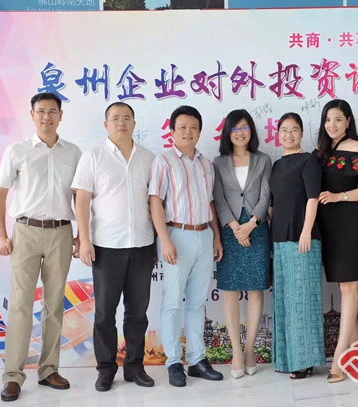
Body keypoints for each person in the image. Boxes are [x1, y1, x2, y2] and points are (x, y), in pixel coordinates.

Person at [0, 92, 82, 402]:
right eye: (41, 111)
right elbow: (0, 194)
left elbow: (80, 197)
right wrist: (1, 235)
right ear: (32, 115)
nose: (47, 116)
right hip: (25, 232)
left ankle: (48, 369)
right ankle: (13, 376)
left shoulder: (73, 152)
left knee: (54, 303)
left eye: (52, 111)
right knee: (20, 304)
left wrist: (82, 234)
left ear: (61, 115)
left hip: (61, 232)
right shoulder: (17, 151)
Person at [72, 102, 156, 392]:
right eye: (115, 118)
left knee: (137, 313)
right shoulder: (93, 156)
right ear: (106, 124)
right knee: (105, 314)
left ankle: (134, 367)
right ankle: (106, 369)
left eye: (127, 118)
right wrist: (84, 239)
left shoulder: (148, 158)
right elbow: (82, 200)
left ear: (134, 123)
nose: (121, 122)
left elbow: (155, 202)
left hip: (142, 244)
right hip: (106, 246)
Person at [149, 105, 224, 387]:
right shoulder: (164, 162)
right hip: (176, 235)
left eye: (193, 127)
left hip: (204, 235)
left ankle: (197, 360)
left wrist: (216, 236)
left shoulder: (207, 165)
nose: (188, 132)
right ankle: (173, 362)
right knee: (172, 302)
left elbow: (211, 203)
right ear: (172, 131)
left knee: (197, 302)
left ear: (200, 131)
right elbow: (155, 202)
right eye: (182, 127)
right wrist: (164, 239)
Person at [314, 99, 358, 383]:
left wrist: (339, 196)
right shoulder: (322, 150)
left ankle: (340, 358)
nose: (332, 125)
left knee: (349, 287)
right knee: (344, 287)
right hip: (327, 225)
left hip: (349, 223)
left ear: (348, 121)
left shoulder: (355, 147)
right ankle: (355, 352)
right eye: (328, 119)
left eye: (338, 119)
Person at [213, 109, 272, 379]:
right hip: (230, 229)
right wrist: (236, 227)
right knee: (230, 290)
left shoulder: (263, 159)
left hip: (257, 228)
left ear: (251, 131)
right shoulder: (218, 162)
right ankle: (236, 351)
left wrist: (252, 224)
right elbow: (218, 197)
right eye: (235, 128)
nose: (240, 132)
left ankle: (250, 351)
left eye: (244, 127)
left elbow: (266, 194)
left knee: (256, 290)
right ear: (228, 132)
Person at [269, 112, 325, 380]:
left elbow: (313, 198)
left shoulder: (308, 161)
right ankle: (286, 359)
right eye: (284, 130)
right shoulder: (277, 164)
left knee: (302, 301)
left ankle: (305, 361)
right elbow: (273, 203)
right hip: (279, 238)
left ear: (302, 133)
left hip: (303, 238)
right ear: (277, 134)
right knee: (284, 300)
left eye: (294, 130)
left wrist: (306, 231)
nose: (288, 134)